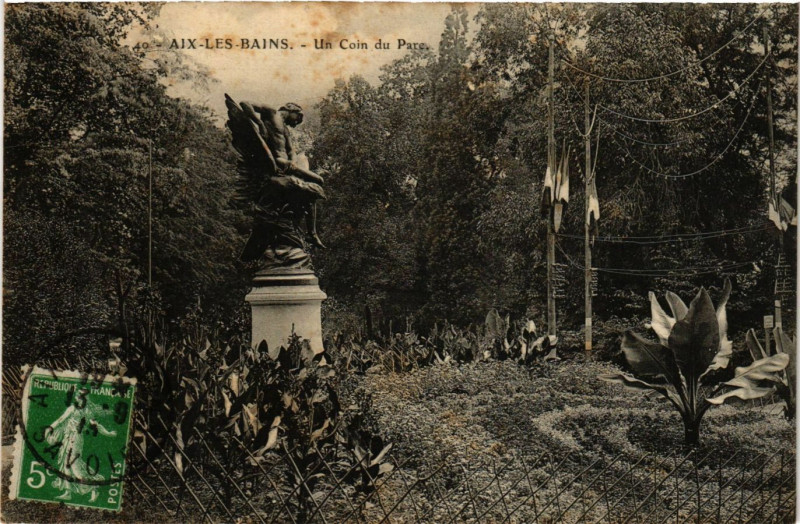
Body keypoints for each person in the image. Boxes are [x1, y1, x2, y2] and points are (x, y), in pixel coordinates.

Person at [247, 102, 326, 249]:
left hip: (287, 164)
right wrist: (259, 123)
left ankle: (311, 233)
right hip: (276, 161)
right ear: (290, 108)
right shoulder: (271, 112)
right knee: (316, 183)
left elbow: (291, 151)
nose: (296, 122)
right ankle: (310, 233)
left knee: (315, 186)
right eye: (298, 117)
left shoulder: (286, 130)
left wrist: (293, 162)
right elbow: (244, 104)